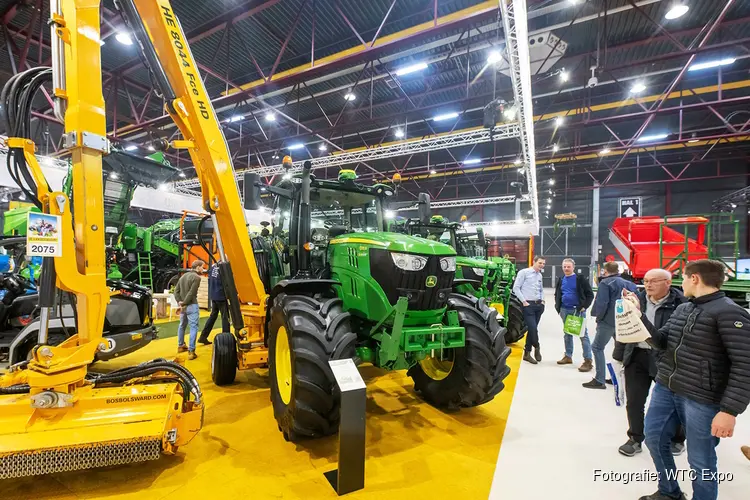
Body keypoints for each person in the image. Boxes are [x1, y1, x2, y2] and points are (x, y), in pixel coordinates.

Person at [634, 260, 750, 500]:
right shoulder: (683, 309)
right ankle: (669, 492)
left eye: (684, 277)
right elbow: (662, 341)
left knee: (701, 460)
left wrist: (729, 411)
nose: (681, 282)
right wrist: (639, 317)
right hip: (667, 388)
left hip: (702, 398)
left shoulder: (729, 312)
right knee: (654, 439)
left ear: (695, 278)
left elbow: (745, 363)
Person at [612, 268, 686, 457]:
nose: (648, 285)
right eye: (645, 281)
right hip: (637, 355)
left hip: (666, 358)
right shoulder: (635, 300)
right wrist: (619, 356)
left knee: (673, 402)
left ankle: (677, 439)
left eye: (654, 281)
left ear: (668, 283)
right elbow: (622, 328)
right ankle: (635, 438)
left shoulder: (681, 304)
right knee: (635, 401)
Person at [584, 261, 637, 389]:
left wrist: (599, 319)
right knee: (620, 348)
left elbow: (603, 303)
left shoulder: (605, 283)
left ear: (605, 271)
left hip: (608, 320)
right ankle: (617, 378)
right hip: (623, 320)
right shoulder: (629, 284)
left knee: (597, 347)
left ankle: (599, 379)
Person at [554, 258, 594, 371]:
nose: (566, 268)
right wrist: (558, 306)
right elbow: (558, 293)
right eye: (564, 266)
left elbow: (590, 295)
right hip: (564, 310)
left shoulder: (580, 279)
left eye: (568, 266)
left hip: (577, 311)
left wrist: (584, 307)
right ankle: (568, 356)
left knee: (582, 335)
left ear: (573, 267)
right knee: (567, 333)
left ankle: (588, 360)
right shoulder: (561, 279)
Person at [513, 255, 546, 364]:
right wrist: (524, 302)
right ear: (534, 262)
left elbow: (541, 289)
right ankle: (537, 346)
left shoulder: (540, 276)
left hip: (538, 306)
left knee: (532, 330)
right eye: (540, 263)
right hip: (528, 305)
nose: (541, 265)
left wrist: (543, 301)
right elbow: (516, 288)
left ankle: (527, 353)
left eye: (543, 264)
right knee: (533, 329)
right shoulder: (524, 273)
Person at [174, 260, 206, 360]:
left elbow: (176, 291)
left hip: (183, 306)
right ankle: (191, 351)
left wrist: (180, 302)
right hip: (191, 305)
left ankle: (180, 345)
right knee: (193, 327)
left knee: (182, 325)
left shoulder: (183, 276)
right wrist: (184, 303)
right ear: (197, 267)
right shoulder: (196, 278)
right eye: (202, 267)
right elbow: (192, 293)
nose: (203, 269)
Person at [198, 262, 231, 345]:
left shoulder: (213, 267)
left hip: (214, 295)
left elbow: (210, 279)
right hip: (221, 295)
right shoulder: (224, 267)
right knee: (225, 317)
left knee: (213, 316)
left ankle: (203, 336)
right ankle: (226, 339)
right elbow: (227, 282)